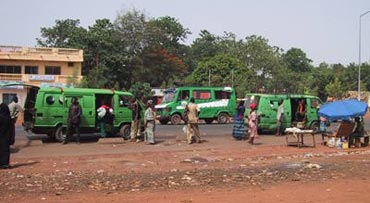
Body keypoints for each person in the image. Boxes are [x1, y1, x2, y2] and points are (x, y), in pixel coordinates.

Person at [0, 103, 12, 169]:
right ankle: (5, 164)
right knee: (6, 150)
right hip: (6, 137)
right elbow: (11, 129)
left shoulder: (0, 117)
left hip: (1, 136)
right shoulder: (9, 118)